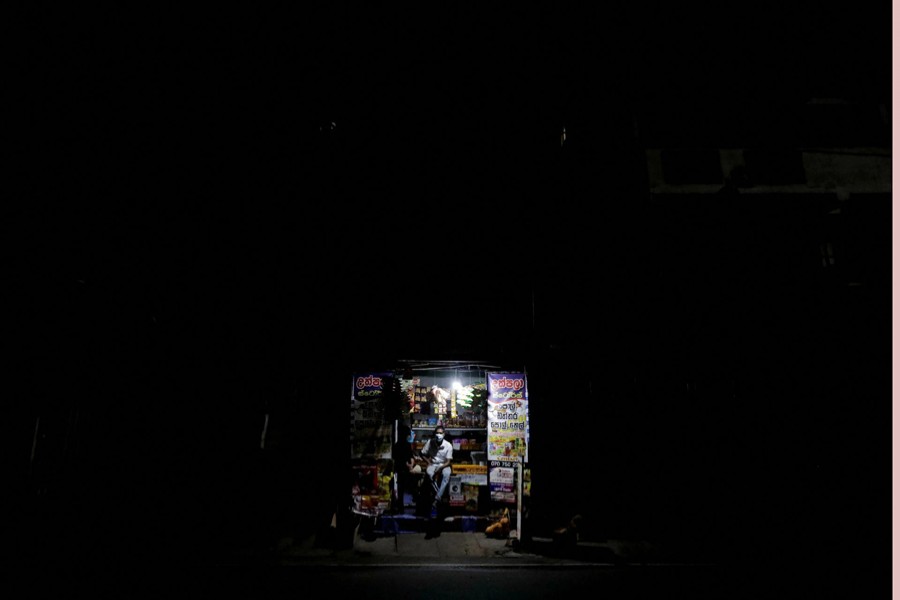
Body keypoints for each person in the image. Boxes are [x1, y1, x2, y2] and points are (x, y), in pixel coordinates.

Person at [420, 425, 453, 514]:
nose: (439, 435)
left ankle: (437, 498)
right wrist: (428, 462)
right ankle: (439, 497)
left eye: (440, 433)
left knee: (446, 475)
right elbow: (422, 453)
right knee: (429, 474)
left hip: (444, 464)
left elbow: (448, 462)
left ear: (444, 434)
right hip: (433, 464)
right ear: (434, 434)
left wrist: (440, 467)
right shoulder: (430, 442)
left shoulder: (448, 445)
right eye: (437, 433)